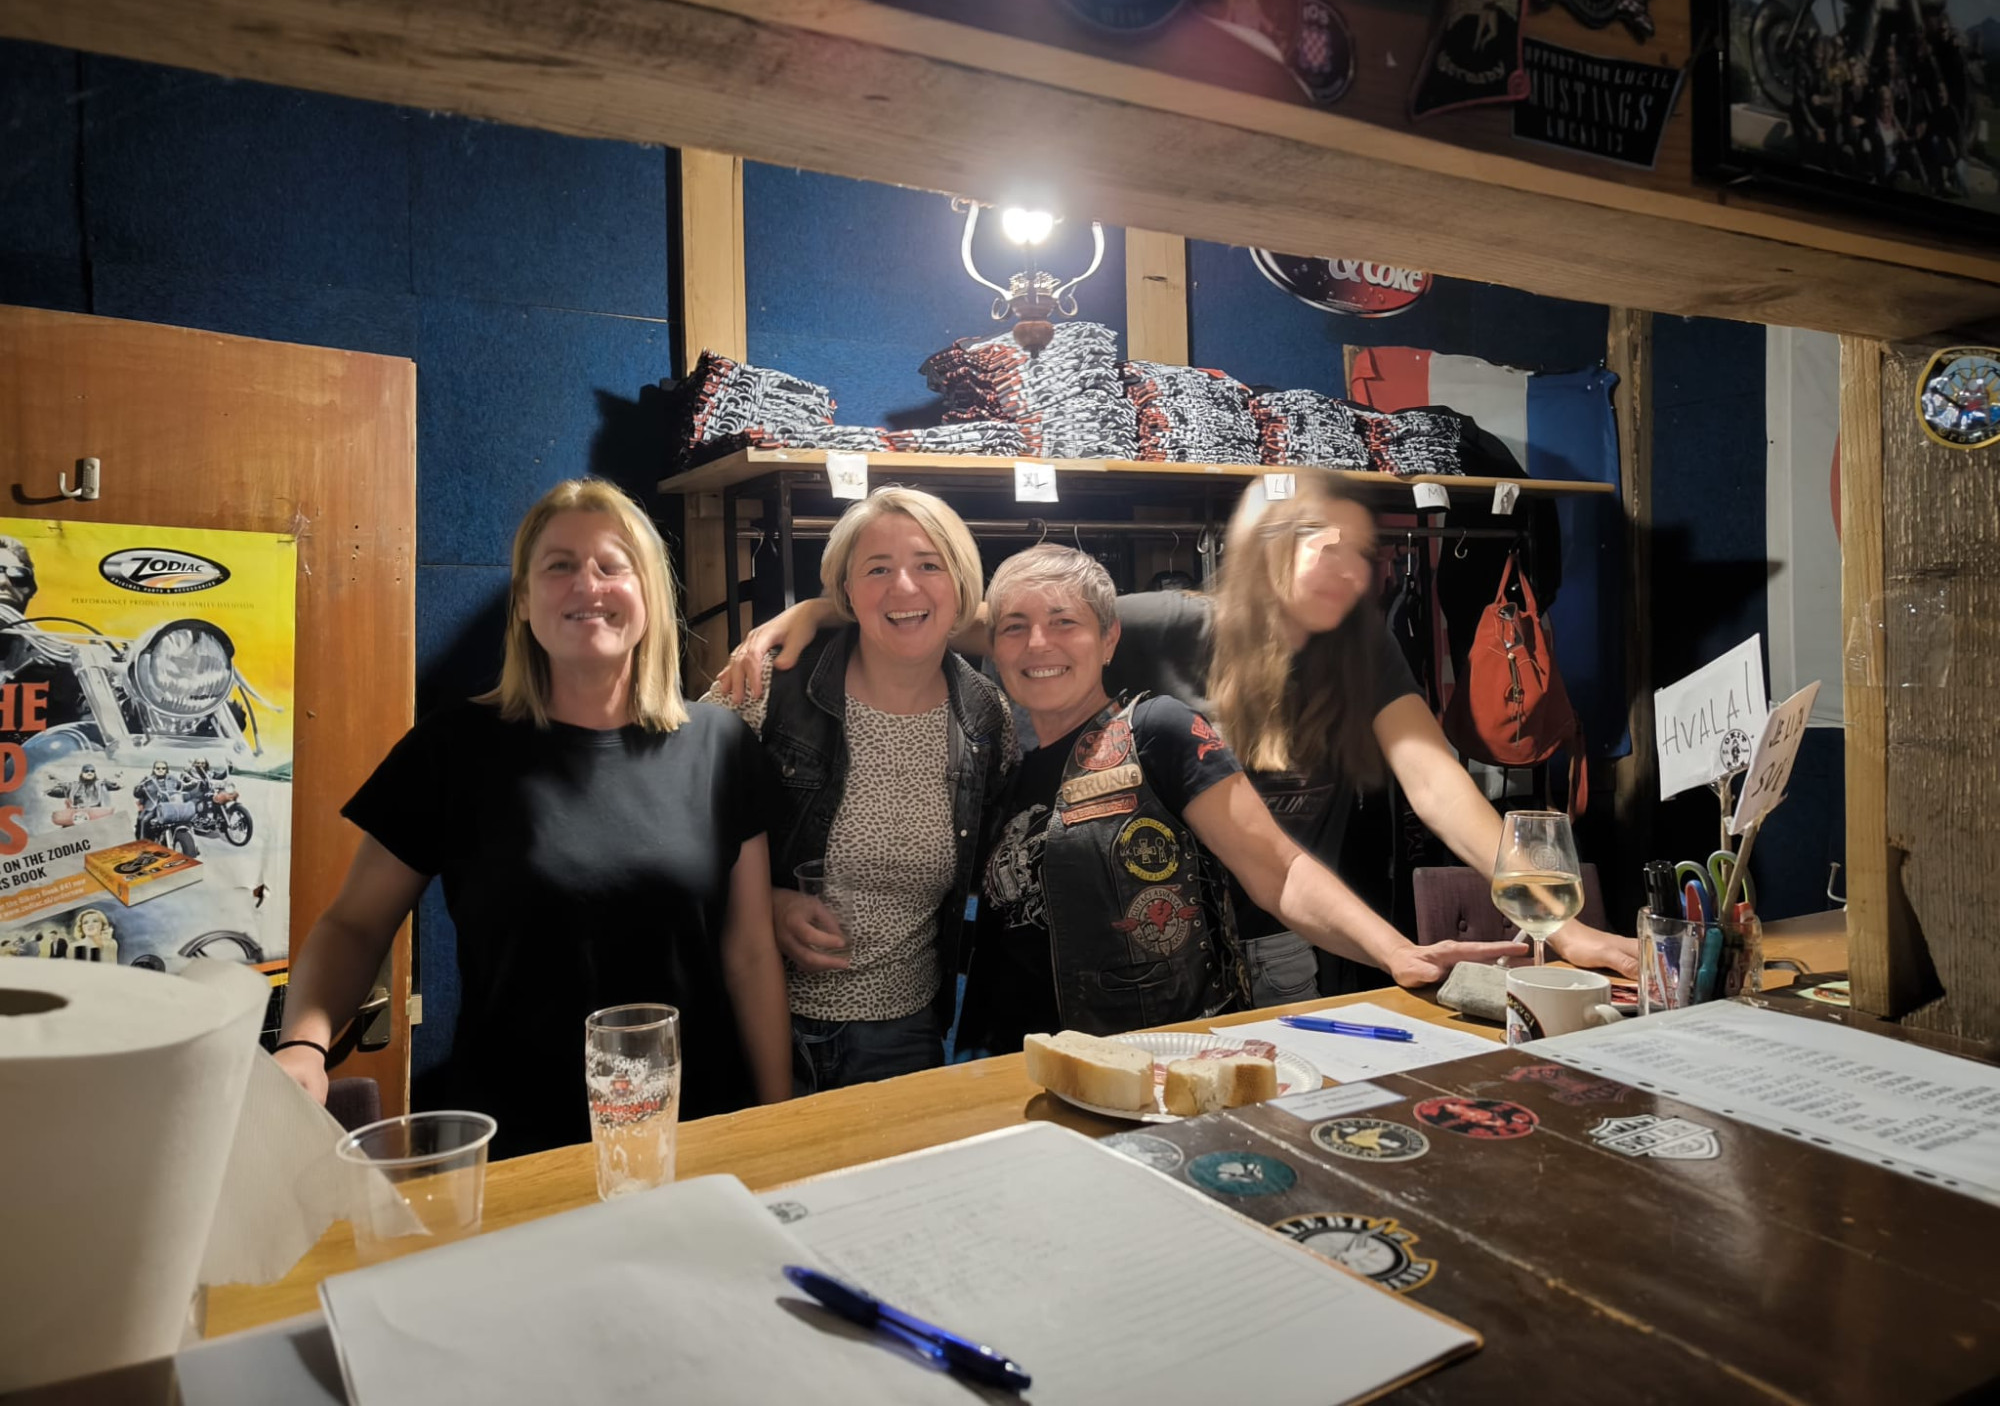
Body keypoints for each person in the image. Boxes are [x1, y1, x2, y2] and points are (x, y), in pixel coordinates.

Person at [721, 469, 1639, 998]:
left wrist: (1557, 924)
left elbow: (1438, 787)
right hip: (1105, 951)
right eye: (1322, 544)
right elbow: (983, 620)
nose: (1346, 572)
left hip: (1273, 941)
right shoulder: (1162, 624)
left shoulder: (1363, 654)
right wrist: (818, 610)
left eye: (1362, 555)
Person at [275, 478, 791, 1158]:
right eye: (559, 566)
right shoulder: (451, 749)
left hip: (697, 1133)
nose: (588, 585)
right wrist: (303, 1046)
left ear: (650, 596)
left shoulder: (721, 746)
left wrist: (781, 1123)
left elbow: (750, 954)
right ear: (521, 600)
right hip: (520, 1143)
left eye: (612, 566)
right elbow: (354, 924)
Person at [957, 545, 1524, 1051]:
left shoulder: (1155, 731)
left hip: (1149, 1055)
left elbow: (1280, 869)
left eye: (1064, 622)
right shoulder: (1006, 769)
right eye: (1014, 627)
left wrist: (1396, 952)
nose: (1038, 643)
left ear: (1109, 639)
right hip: (1019, 1056)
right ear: (995, 651)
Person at [703, 487, 1013, 1092]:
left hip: (901, 1038)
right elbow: (670, 830)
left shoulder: (984, 718)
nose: (904, 587)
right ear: (846, 590)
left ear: (960, 584)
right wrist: (767, 904)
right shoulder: (769, 687)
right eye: (877, 569)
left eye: (929, 565)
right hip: (748, 1018)